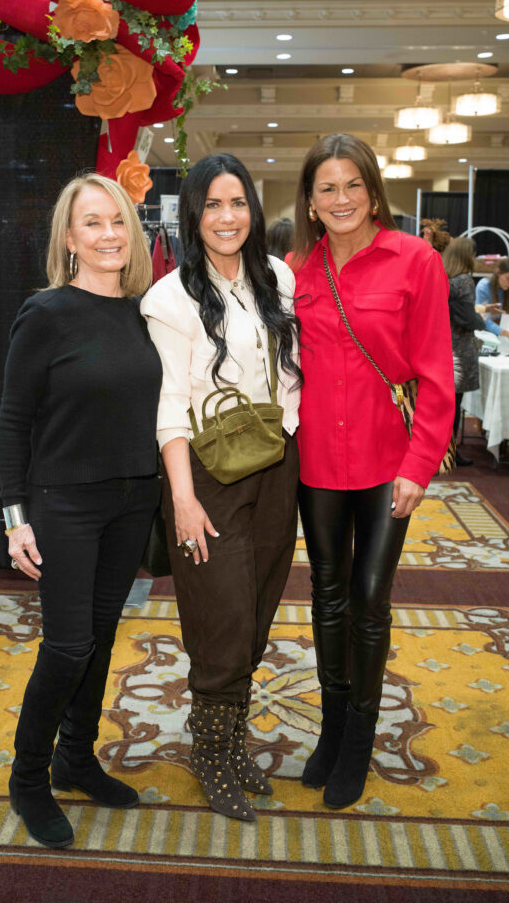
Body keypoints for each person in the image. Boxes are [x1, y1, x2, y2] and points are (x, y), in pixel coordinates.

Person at [0, 174, 162, 848]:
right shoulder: (46, 314)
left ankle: (77, 757)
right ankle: (28, 778)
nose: (109, 234)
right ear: (69, 238)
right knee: (66, 647)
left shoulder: (146, 311)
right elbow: (11, 421)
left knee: (99, 640)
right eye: (92, 223)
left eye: (118, 221)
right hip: (64, 504)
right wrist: (14, 520)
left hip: (132, 500)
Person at [290, 133, 454, 811]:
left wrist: (420, 465)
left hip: (390, 465)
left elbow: (438, 371)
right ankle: (331, 729)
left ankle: (359, 738)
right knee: (326, 595)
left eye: (352, 184)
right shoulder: (298, 268)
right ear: (310, 200)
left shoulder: (415, 261)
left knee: (368, 597)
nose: (341, 199)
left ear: (373, 189)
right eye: (326, 188)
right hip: (317, 464)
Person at [140, 153, 301, 822]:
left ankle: (231, 743)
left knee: (259, 608)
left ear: (253, 211)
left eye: (237, 203)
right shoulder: (169, 298)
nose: (227, 217)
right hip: (206, 474)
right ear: (193, 214)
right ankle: (208, 752)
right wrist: (182, 498)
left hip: (278, 465)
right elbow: (169, 407)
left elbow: (293, 381)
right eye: (212, 204)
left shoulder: (280, 280)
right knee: (221, 614)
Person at [443, 237, 486, 467]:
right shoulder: (465, 281)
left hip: (442, 347)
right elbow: (468, 320)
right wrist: (480, 319)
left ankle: (442, 451)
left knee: (442, 405)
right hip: (460, 348)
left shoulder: (445, 278)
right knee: (454, 406)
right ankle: (450, 453)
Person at [475, 256, 509, 340]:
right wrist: (504, 332)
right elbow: (482, 318)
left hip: (507, 325)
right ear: (498, 272)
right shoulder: (483, 287)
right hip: (487, 331)